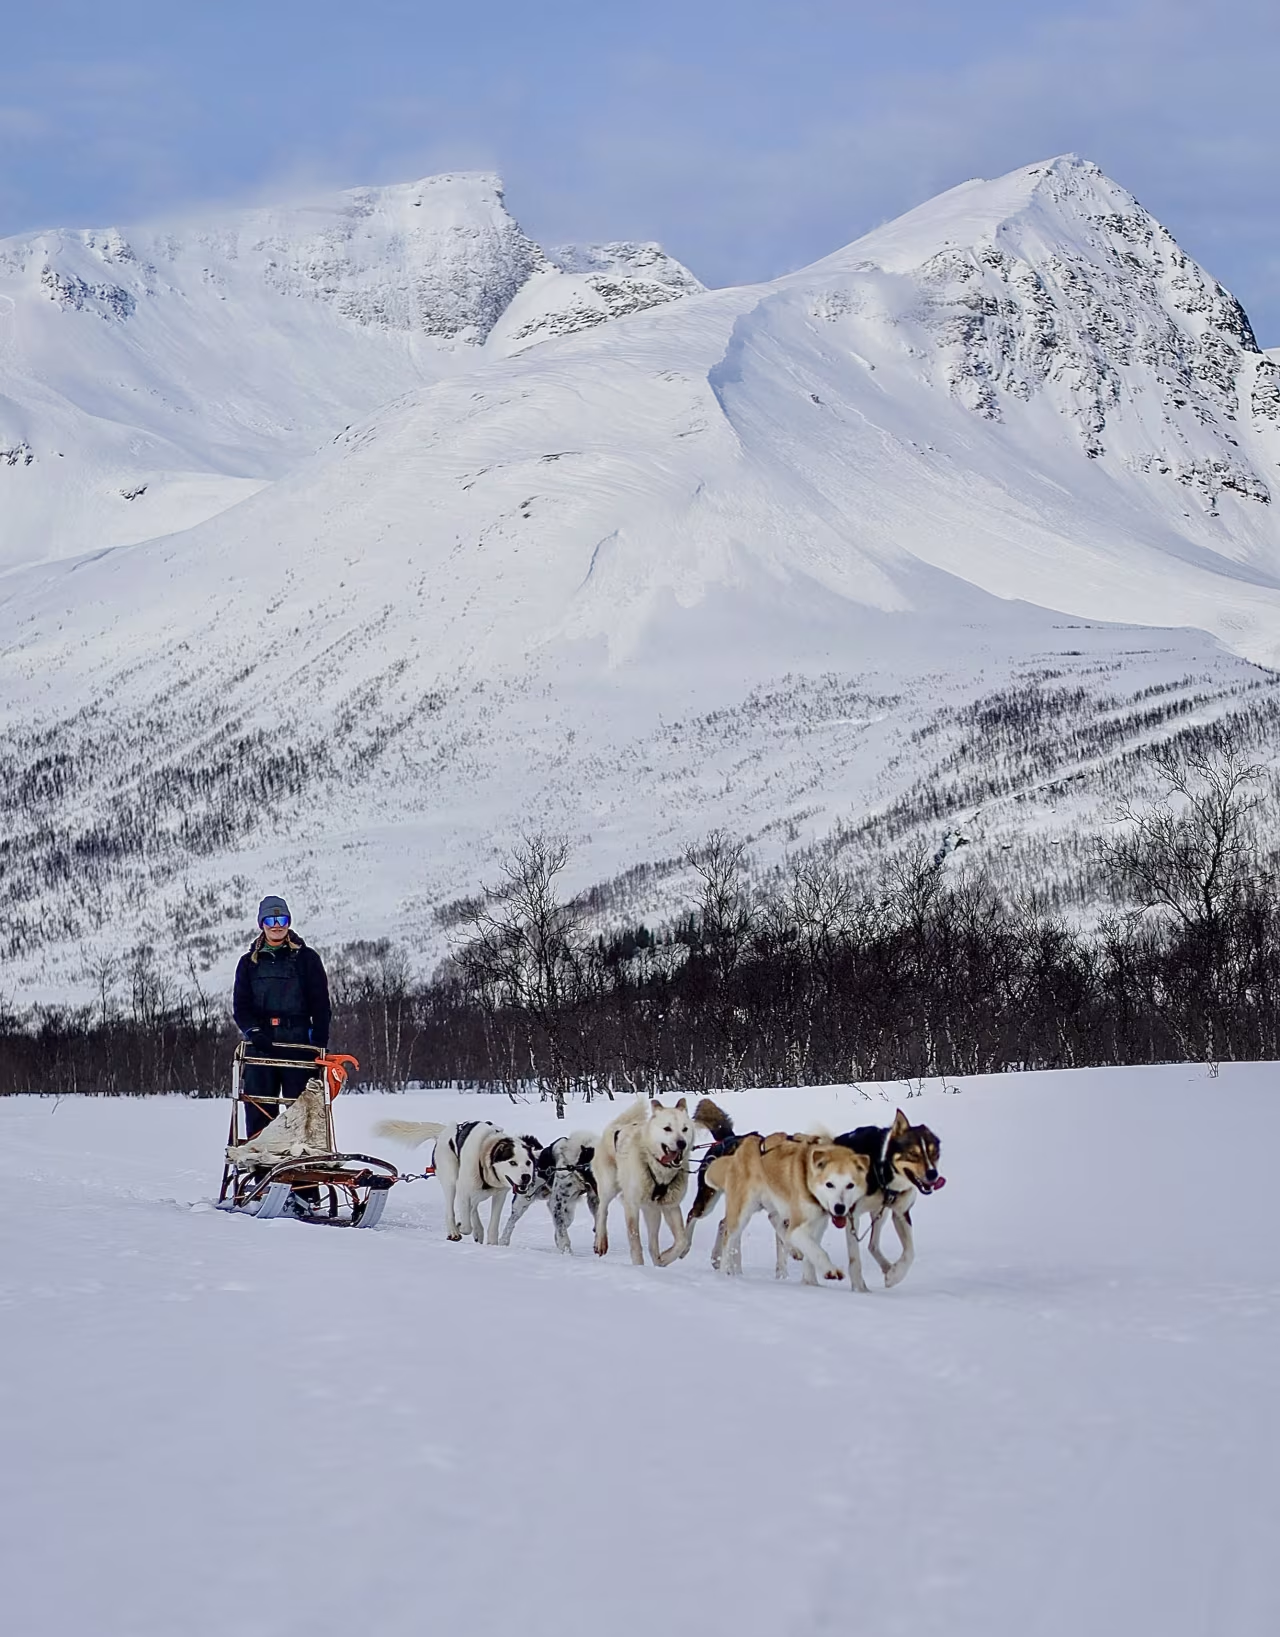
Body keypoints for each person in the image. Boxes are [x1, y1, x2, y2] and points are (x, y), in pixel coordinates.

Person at [232, 895, 332, 1139]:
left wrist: (318, 1043)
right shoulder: (248, 963)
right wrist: (253, 1032)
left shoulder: (307, 959)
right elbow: (241, 1006)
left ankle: (301, 1168)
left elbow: (320, 1004)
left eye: (282, 919)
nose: (277, 925)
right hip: (261, 1044)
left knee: (302, 1108)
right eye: (271, 919)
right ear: (262, 923)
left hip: (297, 1043)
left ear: (289, 922)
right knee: (258, 1106)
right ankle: (261, 1166)